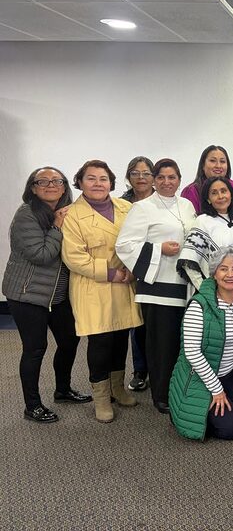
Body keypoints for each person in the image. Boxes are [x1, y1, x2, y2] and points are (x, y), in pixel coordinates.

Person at [3, 167, 91, 423]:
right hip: (27, 294)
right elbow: (41, 255)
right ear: (33, 188)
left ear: (64, 187)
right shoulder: (27, 215)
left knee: (69, 340)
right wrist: (57, 227)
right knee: (34, 349)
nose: (50, 185)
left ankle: (62, 390)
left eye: (56, 181)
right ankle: (32, 406)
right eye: (43, 181)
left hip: (57, 295)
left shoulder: (68, 211)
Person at [61, 160, 142, 423]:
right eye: (91, 178)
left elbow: (140, 241)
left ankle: (118, 388)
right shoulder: (71, 214)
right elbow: (73, 257)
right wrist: (111, 273)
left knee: (120, 337)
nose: (98, 184)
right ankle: (101, 398)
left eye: (103, 179)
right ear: (80, 182)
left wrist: (133, 269)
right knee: (100, 341)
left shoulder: (126, 208)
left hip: (124, 281)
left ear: (112, 182)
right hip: (93, 285)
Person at [116, 159, 196, 414]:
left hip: (185, 285)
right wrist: (159, 249)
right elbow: (125, 245)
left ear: (179, 179)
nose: (166, 182)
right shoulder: (142, 208)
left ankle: (181, 389)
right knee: (162, 344)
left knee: (184, 342)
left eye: (172, 177)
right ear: (153, 179)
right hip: (158, 287)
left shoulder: (187, 205)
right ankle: (161, 394)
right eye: (161, 177)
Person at [169, 246, 233, 441]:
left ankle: (226, 404)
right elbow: (192, 353)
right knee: (232, 429)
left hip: (229, 374)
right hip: (200, 378)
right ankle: (196, 411)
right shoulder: (199, 305)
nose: (230, 274)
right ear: (214, 273)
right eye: (223, 269)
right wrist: (216, 390)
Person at [177, 177, 233, 294]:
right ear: (208, 199)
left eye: (224, 191)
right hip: (211, 293)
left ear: (231, 194)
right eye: (214, 193)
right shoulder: (203, 221)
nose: (220, 196)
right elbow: (189, 260)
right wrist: (205, 290)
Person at [120, 156, 154, 391]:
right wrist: (133, 268)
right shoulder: (120, 205)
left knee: (159, 324)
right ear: (128, 177)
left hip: (159, 268)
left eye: (146, 173)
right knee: (136, 323)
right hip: (130, 272)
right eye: (135, 173)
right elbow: (121, 241)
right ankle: (140, 370)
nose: (141, 178)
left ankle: (162, 368)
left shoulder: (163, 201)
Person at [181, 145, 233, 227]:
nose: (218, 166)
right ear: (203, 165)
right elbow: (190, 226)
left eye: (222, 161)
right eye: (213, 161)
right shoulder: (192, 191)